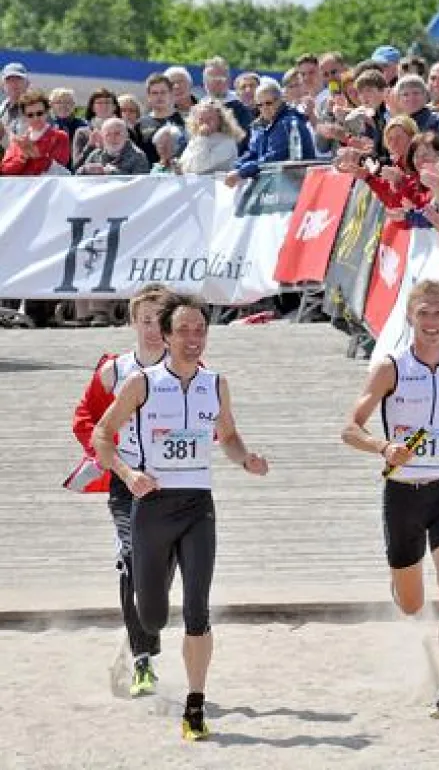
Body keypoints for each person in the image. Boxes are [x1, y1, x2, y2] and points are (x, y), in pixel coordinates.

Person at [92, 293, 269, 741]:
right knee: (151, 616)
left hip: (197, 508)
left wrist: (244, 458)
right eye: (183, 330)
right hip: (152, 507)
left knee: (196, 610)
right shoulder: (142, 384)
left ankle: (195, 705)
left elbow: (227, 435)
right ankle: (140, 645)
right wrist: (128, 474)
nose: (193, 339)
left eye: (200, 330)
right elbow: (102, 435)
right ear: (165, 336)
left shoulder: (216, 384)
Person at [340, 281, 439, 718]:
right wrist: (384, 448)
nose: (431, 322)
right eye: (423, 314)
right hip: (402, 493)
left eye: (438, 314)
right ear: (411, 317)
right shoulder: (390, 368)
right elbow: (349, 428)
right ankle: (403, 586)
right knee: (411, 603)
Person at [69, 285, 170, 698]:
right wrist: (108, 458)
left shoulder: (188, 368)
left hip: (175, 487)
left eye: (159, 320)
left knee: (160, 576)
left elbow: (212, 425)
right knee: (132, 562)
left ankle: (139, 639)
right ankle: (144, 660)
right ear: (132, 322)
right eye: (144, 319)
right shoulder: (114, 371)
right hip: (125, 484)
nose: (151, 329)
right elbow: (85, 420)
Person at [226, 79, 315, 186]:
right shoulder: (260, 125)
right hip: (277, 185)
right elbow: (253, 153)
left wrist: (241, 172)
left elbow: (274, 158)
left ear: (280, 101)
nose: (264, 108)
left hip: (296, 185)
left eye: (268, 103)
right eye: (260, 105)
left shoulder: (289, 123)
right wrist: (236, 167)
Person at [0, 90, 70, 176]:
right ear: (25, 116)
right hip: (22, 188)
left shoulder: (60, 137)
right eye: (30, 115)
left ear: (47, 112)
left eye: (39, 113)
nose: (36, 118)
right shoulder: (19, 141)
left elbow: (59, 169)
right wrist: (23, 157)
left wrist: (37, 156)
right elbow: (5, 171)